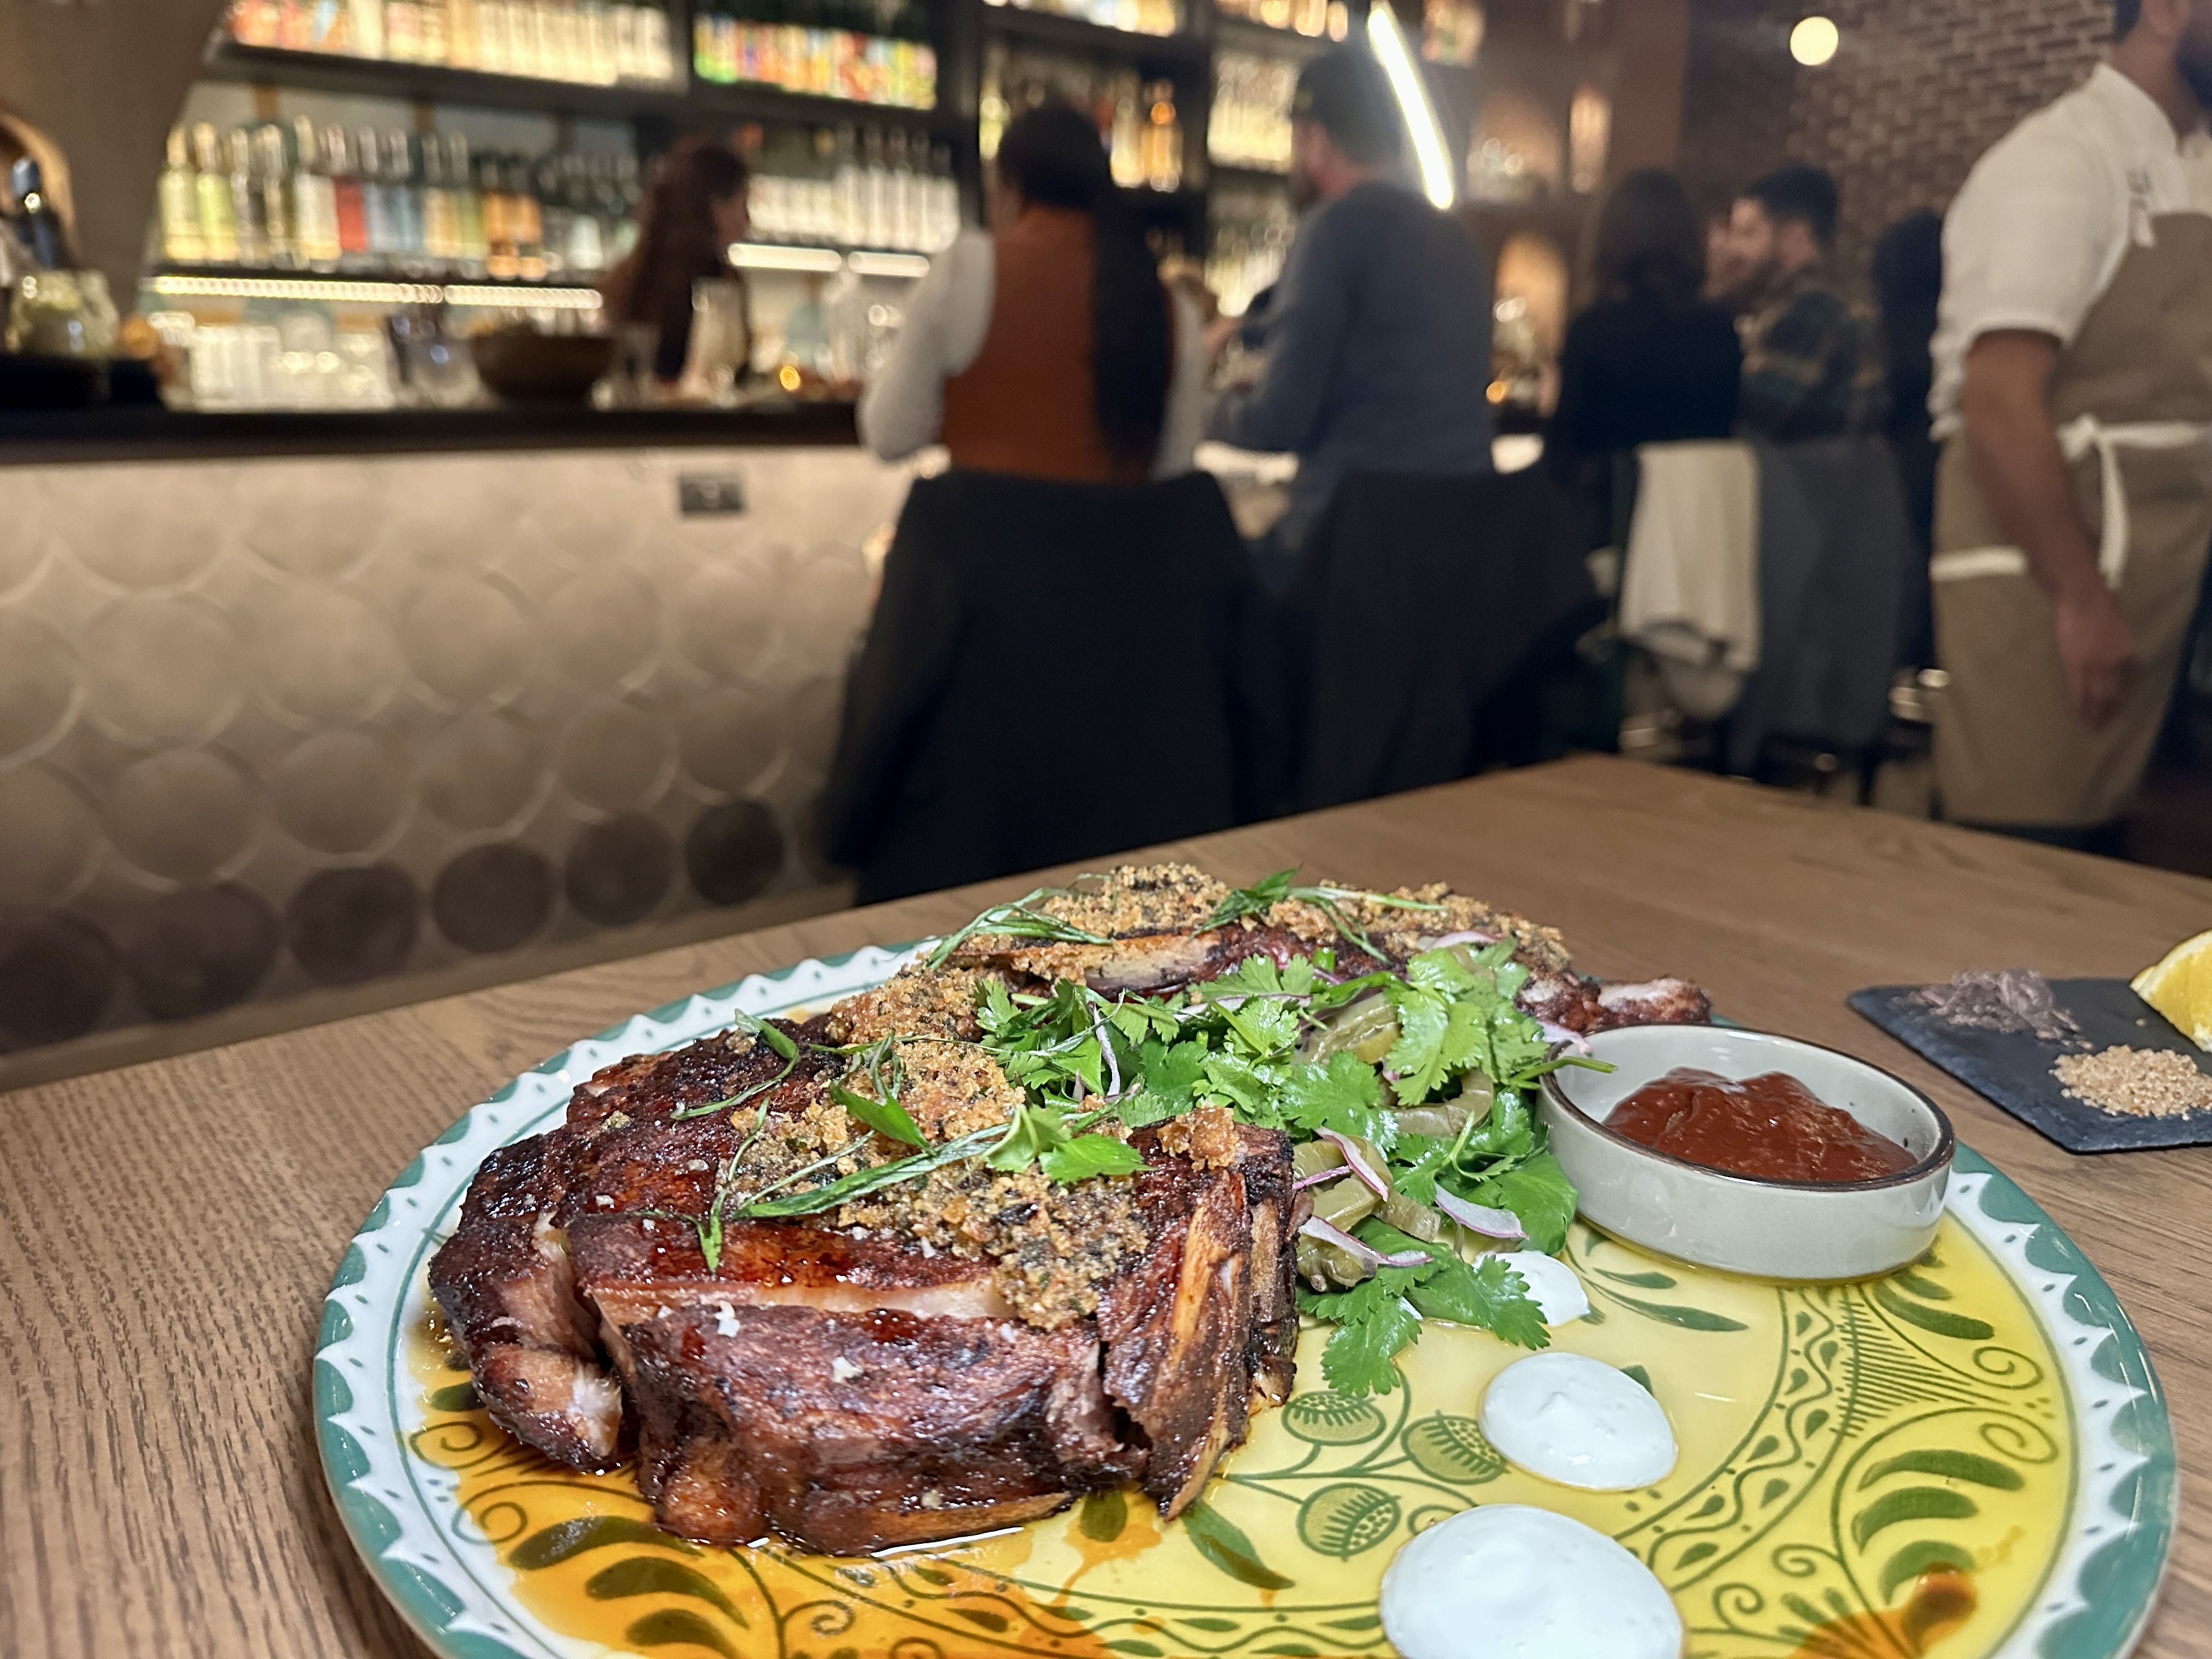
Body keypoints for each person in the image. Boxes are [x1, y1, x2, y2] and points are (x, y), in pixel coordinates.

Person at [1928, 0, 2212, 845]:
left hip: (2156, 573)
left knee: (2109, 870)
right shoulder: (2057, 161)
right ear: (2163, 11)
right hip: (2043, 578)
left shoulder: (2194, 162)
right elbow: (2000, 400)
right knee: (2022, 858)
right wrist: (2081, 596)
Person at [1206, 47, 1496, 566]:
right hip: (1461, 554)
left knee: (1199, 567)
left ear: (1315, 139)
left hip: (1352, 558)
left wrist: (1206, 411)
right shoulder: (1458, 239)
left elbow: (1279, 422)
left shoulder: (1334, 229)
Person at [859, 101, 1206, 483]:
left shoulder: (965, 272)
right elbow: (1175, 475)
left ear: (1008, 188)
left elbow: (889, 435)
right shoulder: (1172, 310)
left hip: (982, 538)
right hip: (1115, 542)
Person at [1548, 167, 1742, 488]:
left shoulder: (1595, 330)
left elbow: (1564, 459)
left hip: (1609, 524)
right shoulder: (1720, 330)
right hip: (1696, 519)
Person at [1718, 164, 1881, 443]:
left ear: (1794, 237)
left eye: (1748, 234)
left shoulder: (1812, 312)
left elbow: (1751, 425)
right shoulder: (1836, 304)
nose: (1733, 249)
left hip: (1799, 482)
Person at [601, 135, 752, 388]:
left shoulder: (630, 277)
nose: (748, 221)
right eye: (743, 203)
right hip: (699, 426)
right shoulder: (719, 289)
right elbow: (725, 382)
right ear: (714, 206)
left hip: (632, 424)